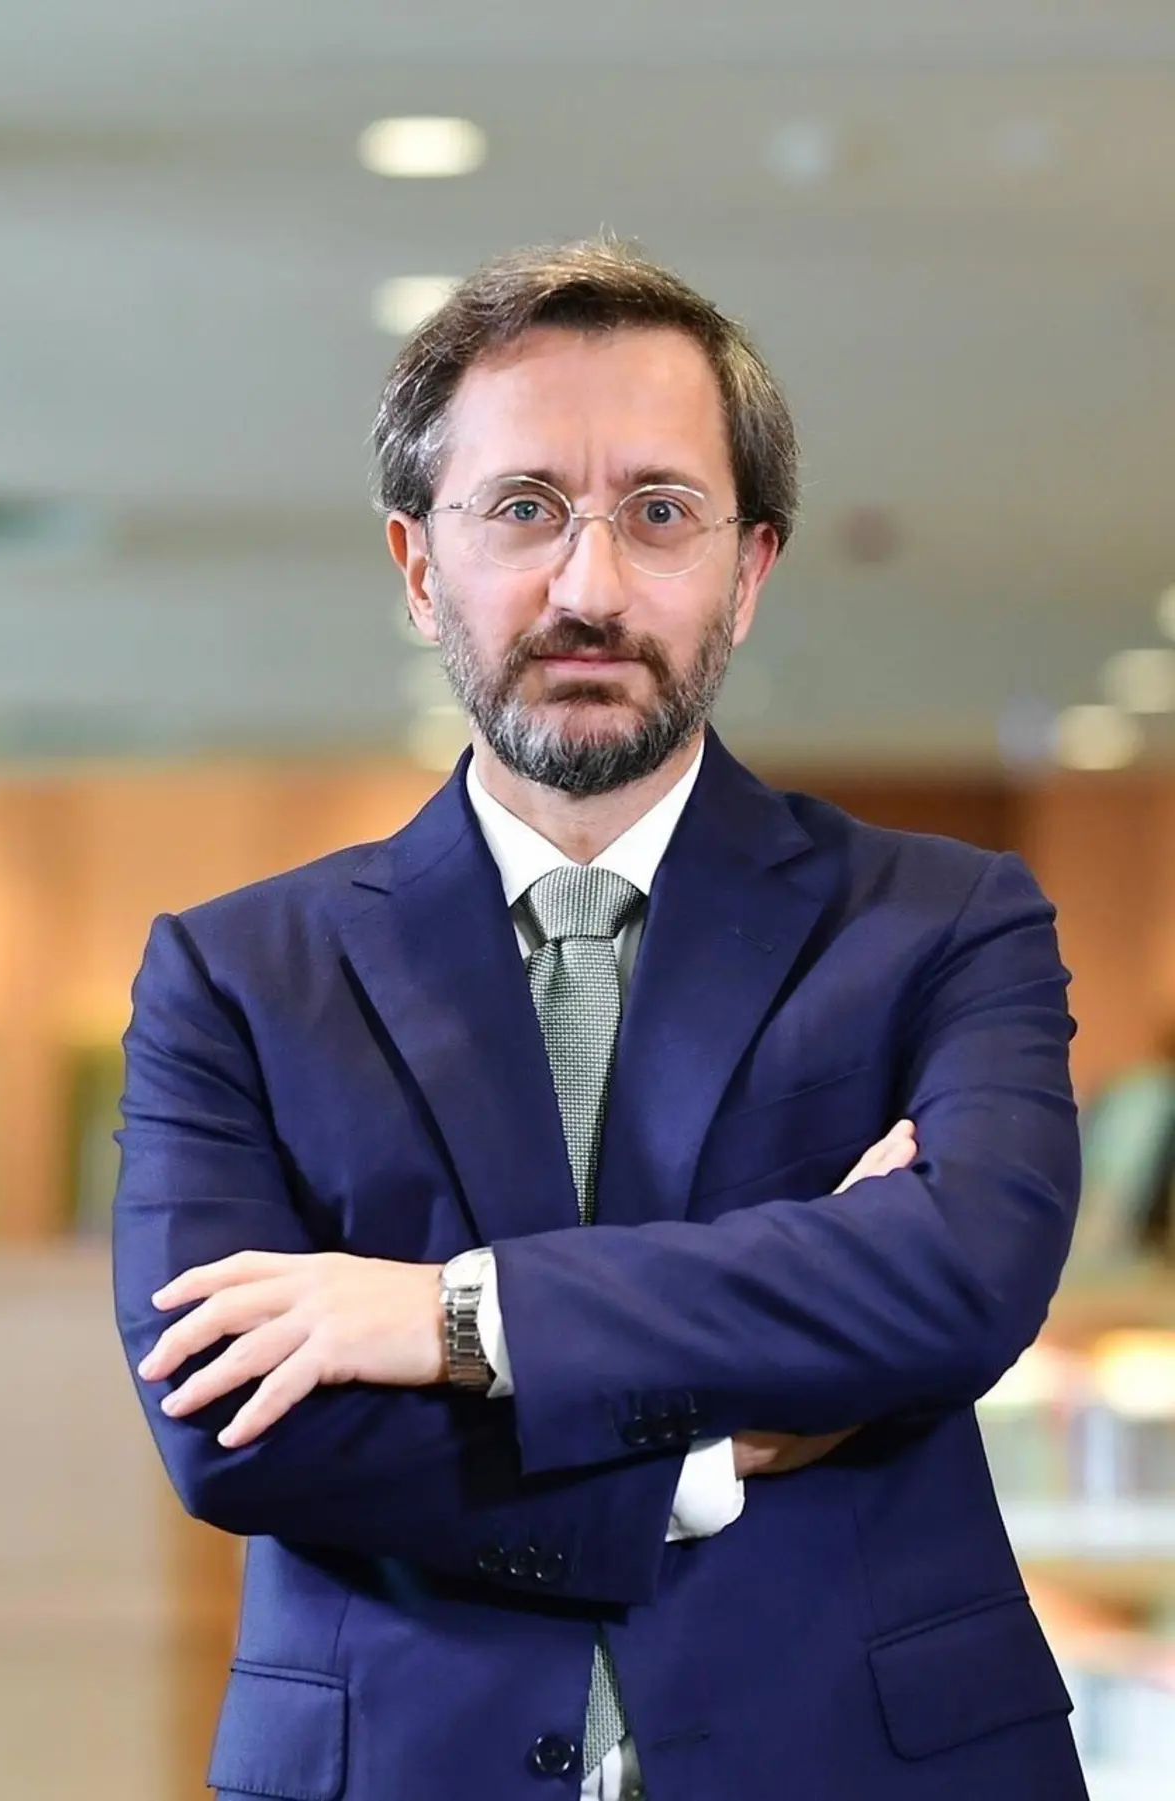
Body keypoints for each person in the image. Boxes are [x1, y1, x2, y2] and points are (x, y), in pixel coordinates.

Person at [112, 239, 1087, 1801]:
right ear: (419, 566)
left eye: (660, 513)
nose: (589, 588)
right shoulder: (233, 975)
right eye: (523, 509)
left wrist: (450, 1321)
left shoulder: (943, 921)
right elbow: (234, 1422)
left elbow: (961, 1278)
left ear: (748, 571)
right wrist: (705, 1455)